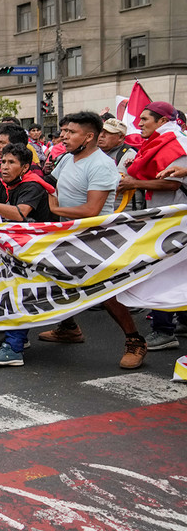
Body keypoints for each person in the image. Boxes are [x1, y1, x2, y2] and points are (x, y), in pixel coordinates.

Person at [39, 111, 147, 369]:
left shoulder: (101, 165)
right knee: (57, 278)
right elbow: (49, 185)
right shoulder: (67, 159)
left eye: (71, 132)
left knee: (105, 292)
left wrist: (56, 211)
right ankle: (69, 328)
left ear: (89, 137)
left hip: (95, 238)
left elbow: (92, 210)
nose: (64, 136)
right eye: (64, 132)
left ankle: (135, 341)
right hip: (67, 234)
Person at [0, 144, 55, 366]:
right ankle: (64, 329)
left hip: (41, 247)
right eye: (2, 162)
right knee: (26, 290)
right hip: (20, 246)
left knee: (20, 291)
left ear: (25, 167)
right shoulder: (4, 184)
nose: (4, 167)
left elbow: (19, 213)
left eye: (11, 163)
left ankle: (14, 348)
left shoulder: (33, 185)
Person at [122, 101, 187, 351]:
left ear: (162, 121)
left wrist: (134, 184)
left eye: (145, 119)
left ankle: (163, 330)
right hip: (167, 216)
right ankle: (181, 320)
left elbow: (171, 184)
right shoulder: (163, 141)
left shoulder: (175, 143)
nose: (139, 124)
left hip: (175, 218)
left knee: (161, 269)